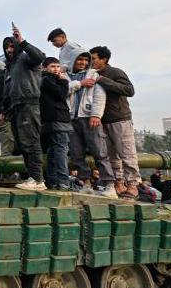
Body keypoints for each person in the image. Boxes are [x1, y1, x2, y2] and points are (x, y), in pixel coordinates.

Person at [88, 46, 141, 198]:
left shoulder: (115, 72)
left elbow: (129, 90)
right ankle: (118, 182)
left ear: (104, 59)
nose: (91, 61)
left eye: (94, 58)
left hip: (120, 119)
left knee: (127, 153)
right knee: (111, 155)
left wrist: (103, 80)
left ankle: (133, 184)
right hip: (101, 121)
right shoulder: (91, 75)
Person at [66, 48, 117, 198]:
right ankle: (86, 183)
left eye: (85, 60)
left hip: (89, 118)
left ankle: (109, 184)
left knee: (99, 152)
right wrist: (80, 84)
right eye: (79, 59)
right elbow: (62, 91)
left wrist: (96, 114)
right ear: (73, 60)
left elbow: (99, 96)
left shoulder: (94, 75)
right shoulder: (65, 76)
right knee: (76, 153)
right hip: (70, 119)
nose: (83, 62)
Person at [2, 25, 46, 191]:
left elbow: (39, 56)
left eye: (12, 45)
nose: (9, 49)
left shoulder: (26, 58)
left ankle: (37, 178)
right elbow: (7, 90)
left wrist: (23, 41)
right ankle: (32, 177)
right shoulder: (10, 66)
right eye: (6, 46)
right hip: (16, 107)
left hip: (29, 103)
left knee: (31, 142)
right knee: (22, 144)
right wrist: (5, 110)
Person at [39, 57, 73, 190]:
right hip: (58, 118)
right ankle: (63, 181)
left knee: (53, 151)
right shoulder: (48, 79)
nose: (56, 69)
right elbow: (61, 94)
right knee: (61, 150)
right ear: (44, 67)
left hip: (49, 120)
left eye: (58, 66)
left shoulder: (44, 79)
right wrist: (64, 82)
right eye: (53, 66)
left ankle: (53, 181)